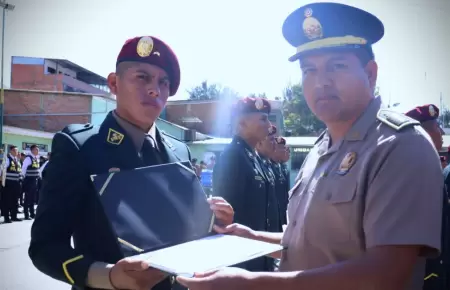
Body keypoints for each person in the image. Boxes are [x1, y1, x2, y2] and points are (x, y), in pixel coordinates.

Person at [177, 3, 443, 290]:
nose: (321, 82)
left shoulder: (399, 146)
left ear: (370, 74)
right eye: (309, 70)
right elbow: (307, 246)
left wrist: (252, 284)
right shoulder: (321, 149)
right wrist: (252, 237)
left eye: (337, 66)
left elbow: (386, 273)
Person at [29, 36, 234, 290]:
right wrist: (109, 276)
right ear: (114, 84)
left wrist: (213, 225)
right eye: (142, 77)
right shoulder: (80, 148)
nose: (154, 89)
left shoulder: (180, 151)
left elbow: (185, 236)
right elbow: (45, 247)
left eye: (164, 82)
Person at [212, 96, 281, 272]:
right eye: (263, 119)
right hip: (241, 258)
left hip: (259, 253)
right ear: (242, 123)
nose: (269, 125)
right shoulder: (233, 156)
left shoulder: (254, 157)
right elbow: (224, 217)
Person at [0, 145, 22, 223]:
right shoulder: (8, 160)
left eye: (17, 151)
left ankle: (14, 216)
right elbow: (2, 169)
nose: (17, 152)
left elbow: (20, 172)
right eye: (15, 151)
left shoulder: (17, 161)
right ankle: (7, 217)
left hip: (16, 183)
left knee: (15, 201)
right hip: (8, 183)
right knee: (7, 201)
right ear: (11, 151)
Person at [21, 144, 40, 219]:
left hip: (34, 180)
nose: (38, 151)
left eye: (38, 149)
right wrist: (25, 178)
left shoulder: (36, 158)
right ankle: (26, 214)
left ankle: (32, 213)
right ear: (32, 150)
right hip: (29, 180)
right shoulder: (28, 158)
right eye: (36, 149)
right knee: (27, 198)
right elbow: (23, 169)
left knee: (32, 198)